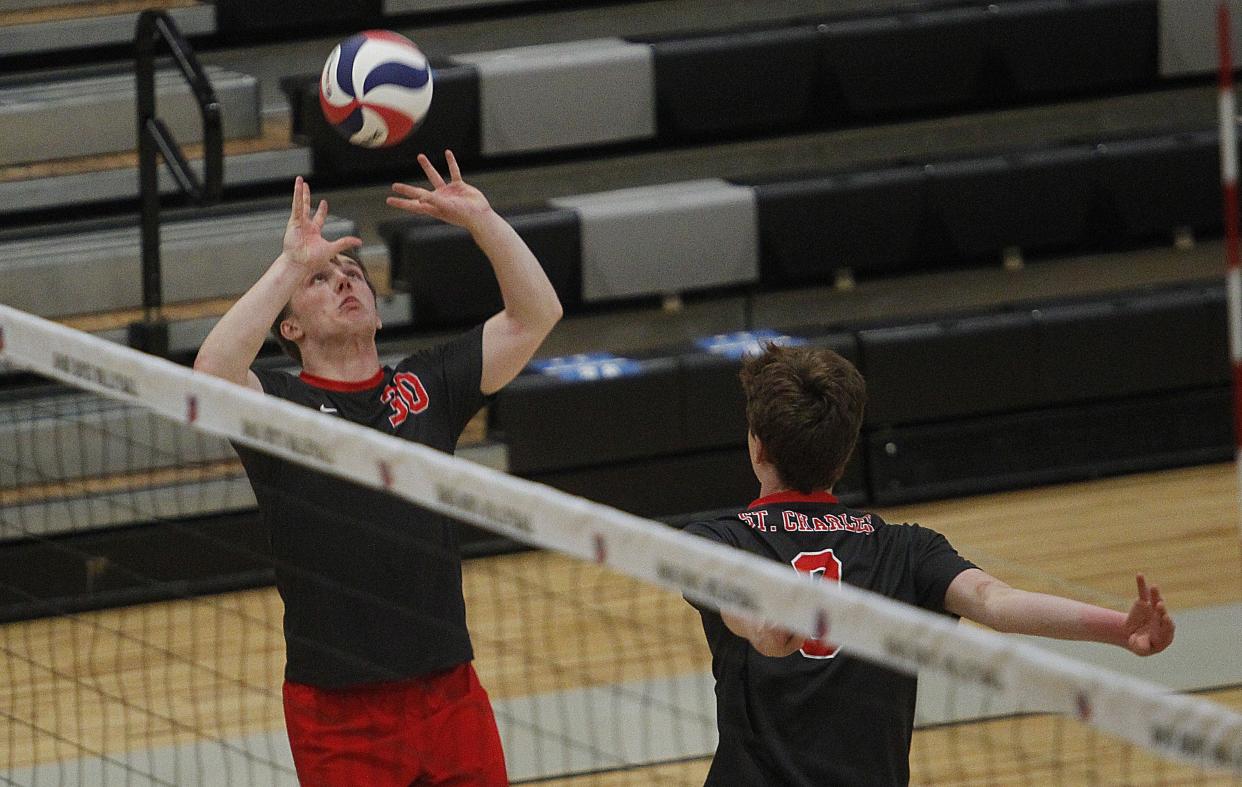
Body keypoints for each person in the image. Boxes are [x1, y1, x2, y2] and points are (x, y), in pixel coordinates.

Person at [194, 151, 562, 786]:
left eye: (351, 271)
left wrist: (485, 223)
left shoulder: (426, 384)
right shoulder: (280, 407)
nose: (343, 280)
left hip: (449, 691)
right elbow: (212, 374)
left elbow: (536, 316)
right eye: (321, 279)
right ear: (290, 325)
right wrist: (290, 263)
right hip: (339, 713)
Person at [684, 343, 1174, 787]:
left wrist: (761, 627)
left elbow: (728, 592)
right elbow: (998, 604)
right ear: (845, 453)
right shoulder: (905, 548)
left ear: (757, 446)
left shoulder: (720, 538)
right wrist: (1118, 628)